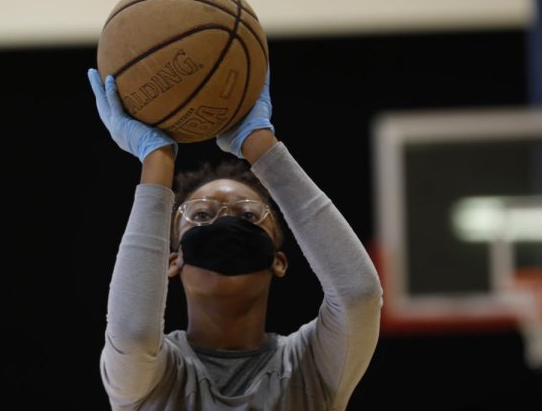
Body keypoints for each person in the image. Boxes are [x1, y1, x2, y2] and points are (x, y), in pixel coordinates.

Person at [88, 67, 382, 410]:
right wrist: (156, 161)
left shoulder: (311, 366)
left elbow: (358, 294)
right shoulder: (151, 375)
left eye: (247, 216)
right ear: (172, 262)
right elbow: (133, 332)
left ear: (278, 260)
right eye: (201, 215)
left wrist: (261, 147)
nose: (224, 221)